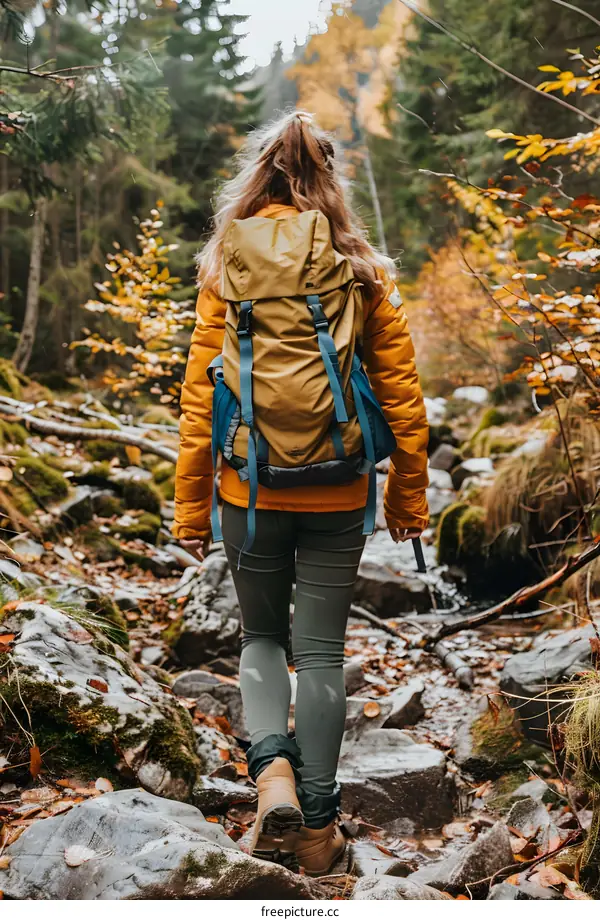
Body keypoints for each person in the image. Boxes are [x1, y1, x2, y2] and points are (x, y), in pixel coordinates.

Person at [173, 111, 429, 877]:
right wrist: (407, 499)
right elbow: (404, 399)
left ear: (258, 178)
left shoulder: (226, 265)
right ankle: (318, 831)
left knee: (260, 640)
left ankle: (271, 779)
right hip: (338, 485)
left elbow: (196, 396)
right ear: (331, 183)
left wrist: (191, 507)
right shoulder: (362, 270)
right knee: (320, 653)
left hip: (246, 488)